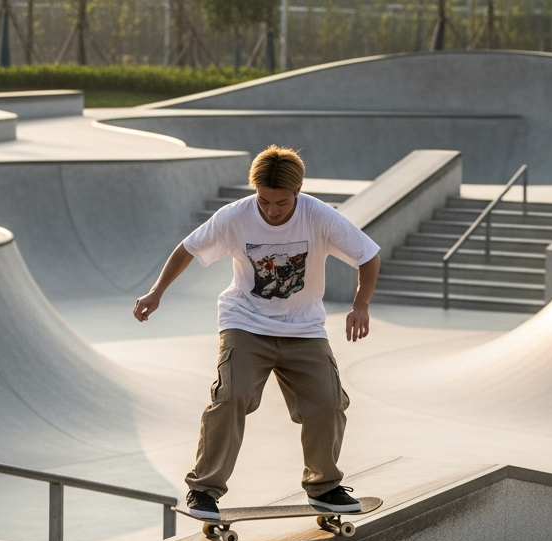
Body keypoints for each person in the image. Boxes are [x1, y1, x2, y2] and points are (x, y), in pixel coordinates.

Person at [132, 146, 381, 520]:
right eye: (263, 201)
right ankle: (203, 490)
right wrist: (157, 291)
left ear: (297, 191)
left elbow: (368, 255)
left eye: (280, 203)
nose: (271, 210)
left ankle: (324, 485)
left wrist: (360, 304)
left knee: (328, 402)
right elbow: (186, 249)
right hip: (245, 322)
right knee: (231, 397)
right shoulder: (235, 216)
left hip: (304, 327)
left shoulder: (320, 216)